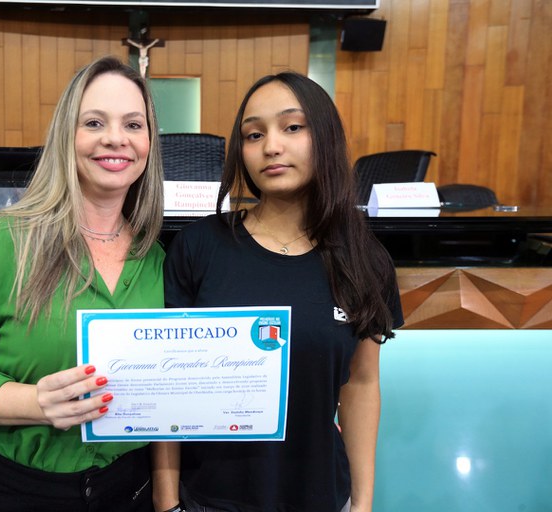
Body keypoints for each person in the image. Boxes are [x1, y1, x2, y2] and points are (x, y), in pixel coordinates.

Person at [0, 56, 165, 512]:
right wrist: (35, 402)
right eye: (94, 122)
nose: (116, 138)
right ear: (65, 136)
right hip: (14, 493)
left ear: (149, 142)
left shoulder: (158, 257)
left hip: (130, 489)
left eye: (134, 124)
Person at [152, 72, 404, 512]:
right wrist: (167, 501)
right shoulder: (199, 246)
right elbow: (167, 386)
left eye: (292, 127)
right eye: (254, 134)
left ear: (324, 136)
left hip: (320, 495)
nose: (271, 146)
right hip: (209, 497)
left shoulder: (365, 258)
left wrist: (363, 504)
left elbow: (362, 383)